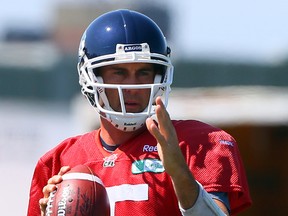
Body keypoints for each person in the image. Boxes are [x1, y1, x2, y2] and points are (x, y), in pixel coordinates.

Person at [27, 9, 252, 216]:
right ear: (92, 78)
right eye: (119, 72)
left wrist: (180, 174)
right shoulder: (58, 161)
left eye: (144, 72)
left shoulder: (200, 143)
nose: (133, 86)